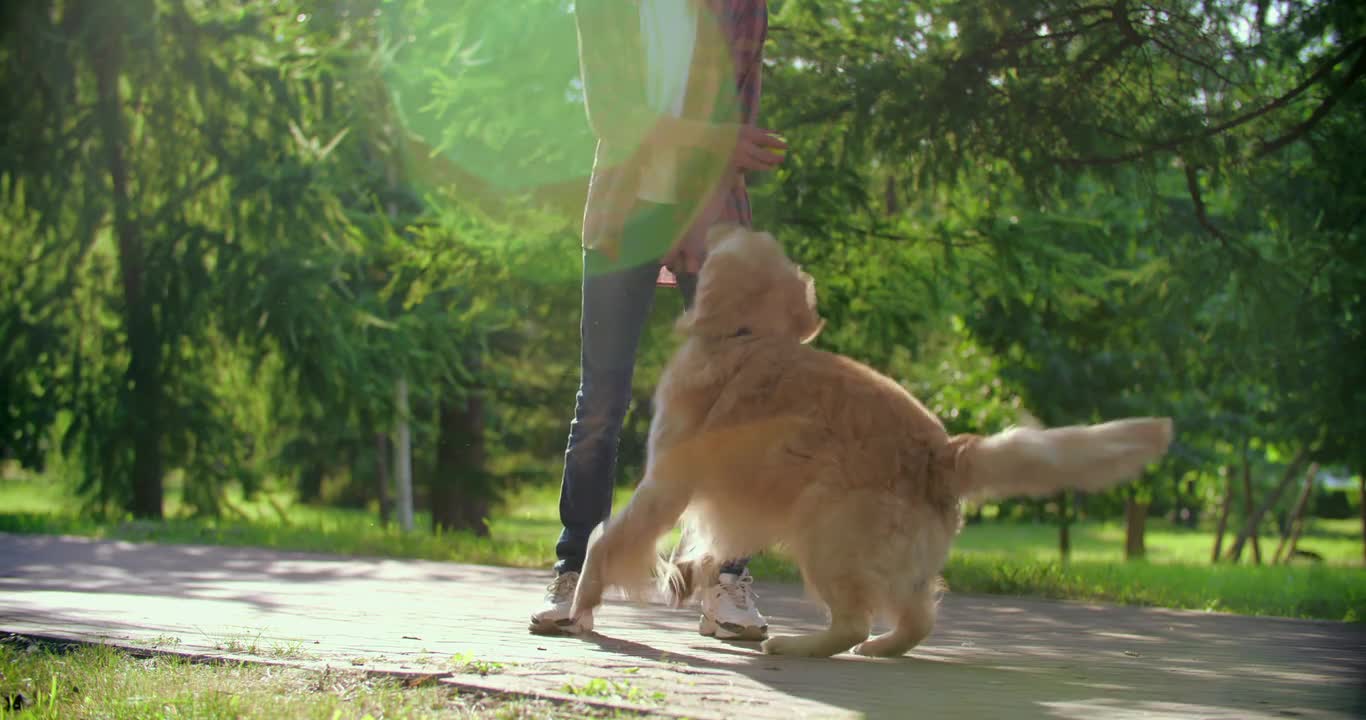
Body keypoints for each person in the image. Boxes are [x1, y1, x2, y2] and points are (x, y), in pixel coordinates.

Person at [529, 0, 786, 639]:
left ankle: (724, 580)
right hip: (626, 211)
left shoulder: (741, 6)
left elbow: (741, 110)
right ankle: (574, 573)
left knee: (736, 399)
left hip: (713, 207)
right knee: (601, 402)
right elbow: (614, 119)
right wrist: (718, 139)